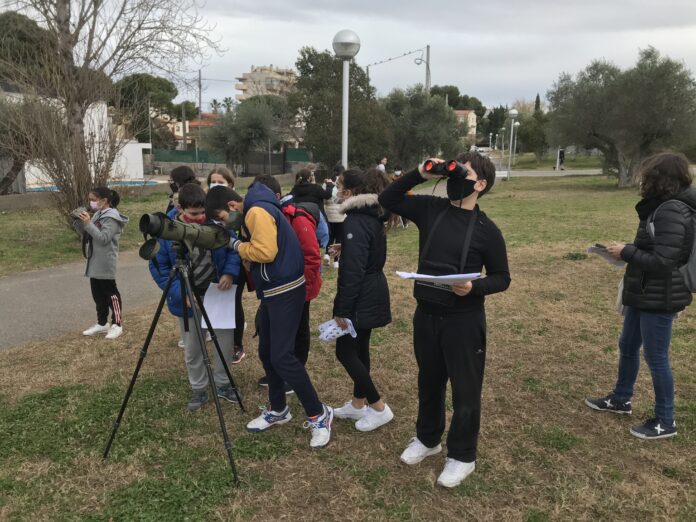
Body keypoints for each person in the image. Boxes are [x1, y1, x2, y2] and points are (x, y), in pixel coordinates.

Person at [379, 152, 511, 488]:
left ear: (480, 184)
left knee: (466, 391)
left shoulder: (487, 230)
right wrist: (419, 172)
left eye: (463, 173)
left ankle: (462, 456)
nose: (454, 178)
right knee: (429, 382)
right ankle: (428, 439)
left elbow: (502, 277)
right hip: (426, 315)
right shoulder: (430, 209)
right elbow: (388, 198)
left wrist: (475, 287)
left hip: (464, 321)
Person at [585, 152, 695, 440]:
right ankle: (621, 399)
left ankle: (665, 419)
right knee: (628, 344)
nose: (642, 180)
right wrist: (626, 252)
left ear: (661, 179)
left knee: (656, 356)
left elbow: (664, 261)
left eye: (647, 176)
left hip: (660, 296)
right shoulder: (660, 207)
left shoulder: (672, 210)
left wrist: (627, 251)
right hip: (644, 291)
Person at [229, 177, 334, 449]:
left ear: (232, 205)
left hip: (284, 291)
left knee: (283, 356)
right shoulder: (263, 206)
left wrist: (236, 245)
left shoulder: (256, 211)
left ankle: (319, 414)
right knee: (267, 352)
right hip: (276, 290)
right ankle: (278, 409)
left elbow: (265, 251)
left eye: (223, 216)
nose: (226, 222)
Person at [149, 184, 241, 411]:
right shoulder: (167, 231)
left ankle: (223, 383)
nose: (200, 218)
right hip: (187, 297)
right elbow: (159, 268)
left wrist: (229, 272)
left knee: (224, 342)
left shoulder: (216, 223)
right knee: (193, 348)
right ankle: (199, 388)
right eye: (194, 214)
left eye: (203, 213)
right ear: (180, 208)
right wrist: (180, 293)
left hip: (217, 295)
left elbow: (233, 249)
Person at [332, 168, 394, 432]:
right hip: (372, 287)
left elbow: (353, 271)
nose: (335, 189)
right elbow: (366, 253)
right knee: (360, 348)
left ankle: (378, 407)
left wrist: (342, 310)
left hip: (362, 294)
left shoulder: (356, 220)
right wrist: (346, 249)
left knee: (345, 351)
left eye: (339, 185)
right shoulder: (372, 216)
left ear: (351, 192)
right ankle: (358, 404)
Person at [73, 187, 129, 340]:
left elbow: (103, 238)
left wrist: (88, 223)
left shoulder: (112, 217)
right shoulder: (99, 214)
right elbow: (89, 234)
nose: (91, 202)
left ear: (104, 201)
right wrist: (79, 222)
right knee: (97, 294)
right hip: (95, 260)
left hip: (105, 261)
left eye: (94, 199)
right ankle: (102, 322)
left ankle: (117, 324)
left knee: (111, 294)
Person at [205, 185, 247, 364]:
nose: (221, 223)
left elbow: (234, 248)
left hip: (230, 280)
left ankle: (235, 345)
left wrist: (230, 272)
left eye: (221, 218)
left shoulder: (232, 224)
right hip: (212, 283)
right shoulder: (208, 224)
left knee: (233, 311)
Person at [323, 165, 346, 268]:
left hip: (328, 214)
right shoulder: (342, 183)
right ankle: (336, 261)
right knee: (339, 237)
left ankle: (327, 254)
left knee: (330, 236)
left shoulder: (326, 183)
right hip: (340, 214)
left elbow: (323, 197)